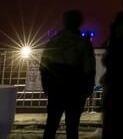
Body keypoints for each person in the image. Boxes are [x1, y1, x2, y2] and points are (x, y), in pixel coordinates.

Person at [39, 10, 97, 139]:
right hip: (75, 91)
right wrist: (87, 90)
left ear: (64, 22)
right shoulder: (82, 44)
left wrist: (47, 87)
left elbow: (43, 67)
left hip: (55, 90)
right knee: (72, 127)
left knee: (51, 125)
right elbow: (89, 69)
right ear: (79, 23)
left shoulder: (54, 41)